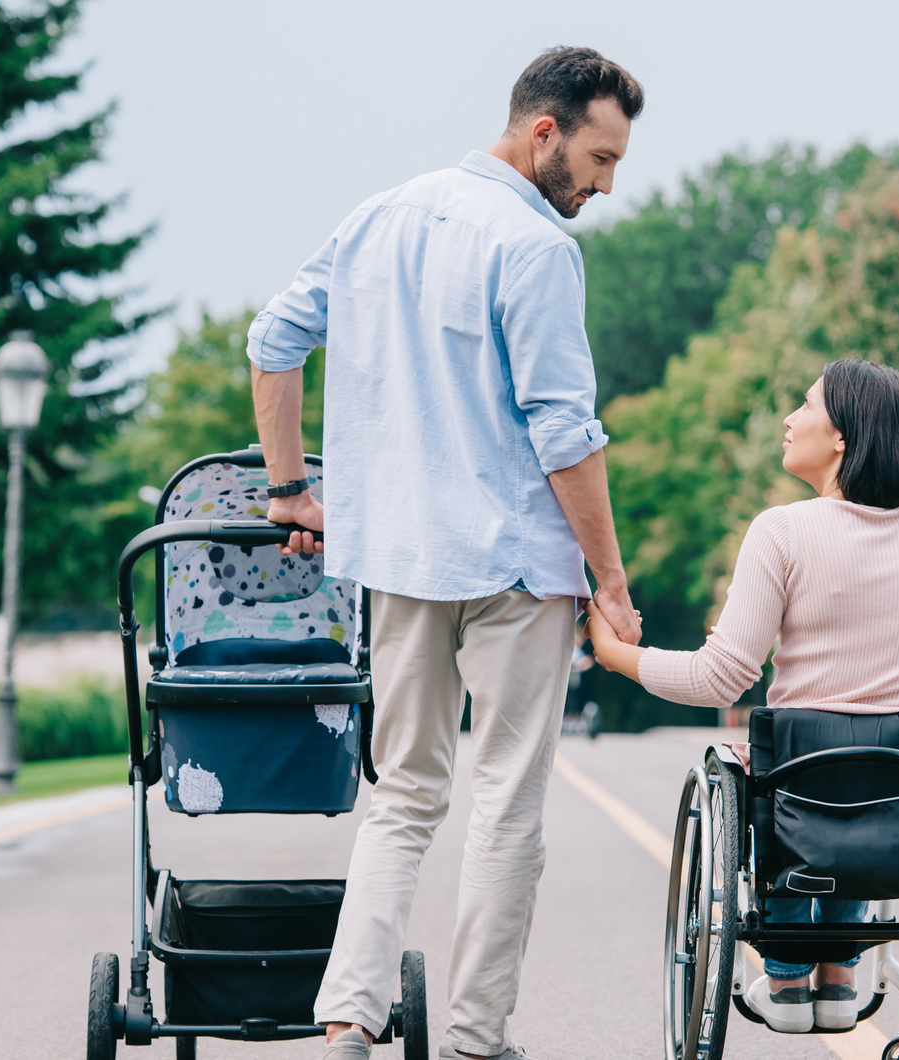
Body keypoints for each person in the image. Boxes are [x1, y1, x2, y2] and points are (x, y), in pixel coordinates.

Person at [247, 46, 645, 1060]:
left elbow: (273, 339)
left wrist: (292, 486)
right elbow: (564, 434)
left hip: (397, 559)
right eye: (598, 158)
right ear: (542, 130)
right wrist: (610, 580)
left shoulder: (379, 216)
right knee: (507, 802)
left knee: (403, 796)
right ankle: (473, 1038)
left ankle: (350, 1017)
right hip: (515, 564)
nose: (604, 185)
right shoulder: (538, 249)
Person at [584, 358, 899, 1035]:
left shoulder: (783, 532)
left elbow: (718, 678)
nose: (789, 419)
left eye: (805, 405)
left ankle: (788, 979)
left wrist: (614, 656)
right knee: (874, 779)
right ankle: (840, 977)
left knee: (781, 779)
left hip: (801, 781)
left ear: (842, 436)